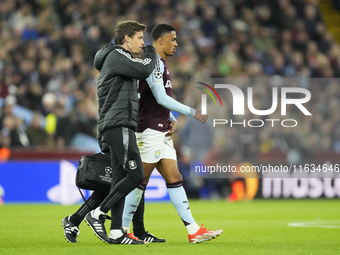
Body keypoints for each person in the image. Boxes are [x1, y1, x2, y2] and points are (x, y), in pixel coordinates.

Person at [121, 23, 223, 244]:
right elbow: (160, 98)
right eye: (173, 39)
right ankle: (121, 228)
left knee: (174, 177)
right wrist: (191, 112)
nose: (176, 44)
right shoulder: (153, 62)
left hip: (161, 128)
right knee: (141, 180)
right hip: (149, 130)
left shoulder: (160, 63)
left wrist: (171, 118)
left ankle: (193, 230)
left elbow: (157, 96)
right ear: (161, 41)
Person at [62, 20, 157, 245]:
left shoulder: (117, 59)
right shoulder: (117, 56)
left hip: (116, 124)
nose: (143, 43)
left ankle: (108, 230)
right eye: (140, 38)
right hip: (118, 124)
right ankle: (98, 214)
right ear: (127, 39)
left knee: (115, 181)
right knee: (135, 176)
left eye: (144, 40)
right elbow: (144, 69)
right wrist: (152, 52)